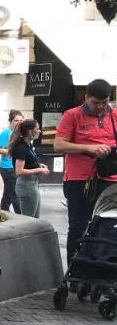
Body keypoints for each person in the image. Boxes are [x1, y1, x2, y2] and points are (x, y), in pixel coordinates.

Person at [54, 78, 117, 262]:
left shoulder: (113, 115)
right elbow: (58, 145)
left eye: (104, 102)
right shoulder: (72, 115)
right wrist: (88, 148)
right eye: (95, 103)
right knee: (78, 226)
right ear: (86, 97)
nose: (100, 107)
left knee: (107, 224)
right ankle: (75, 273)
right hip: (80, 179)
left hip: (110, 178)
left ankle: (102, 267)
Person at [10, 118, 48, 219]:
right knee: (28, 221)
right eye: (37, 129)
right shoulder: (21, 147)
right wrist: (39, 170)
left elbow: (28, 162)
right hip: (26, 185)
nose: (39, 131)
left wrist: (39, 165)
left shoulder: (28, 145)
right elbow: (19, 171)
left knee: (34, 219)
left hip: (32, 184)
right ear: (31, 131)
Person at [0, 109, 24, 215]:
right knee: (14, 193)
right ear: (11, 121)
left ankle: (3, 212)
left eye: (21, 120)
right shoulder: (5, 133)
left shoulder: (21, 134)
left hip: (16, 166)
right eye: (16, 120)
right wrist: (12, 151)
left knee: (8, 192)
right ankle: (20, 215)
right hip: (7, 167)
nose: (19, 123)